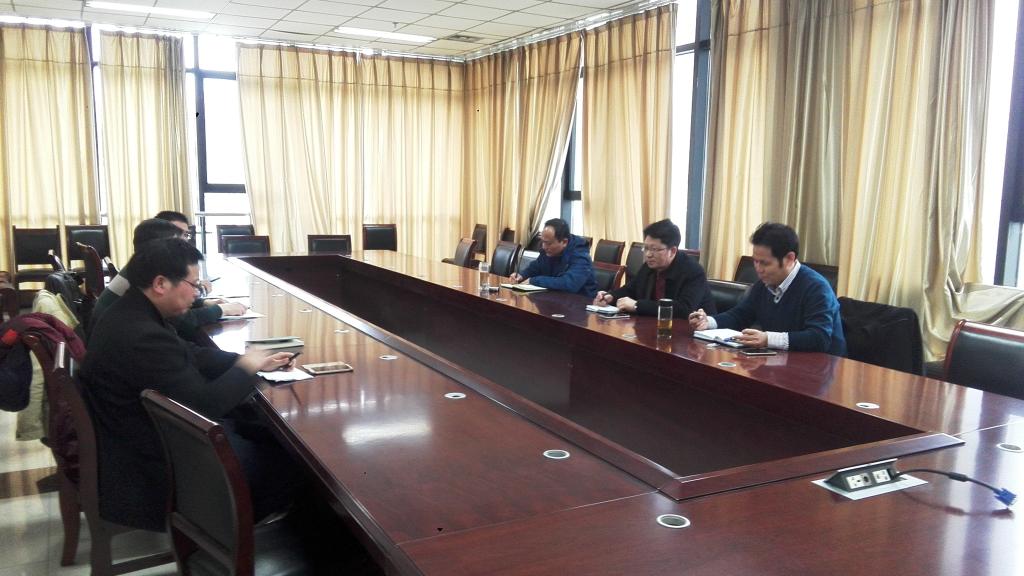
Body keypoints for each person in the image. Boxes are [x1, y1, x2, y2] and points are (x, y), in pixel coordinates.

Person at [80, 238, 298, 530]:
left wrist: (251, 361)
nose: (197, 293)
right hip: (159, 467)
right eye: (193, 284)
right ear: (160, 283)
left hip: (150, 437)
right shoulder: (141, 335)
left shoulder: (132, 311)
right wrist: (246, 368)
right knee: (293, 461)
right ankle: (249, 529)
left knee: (263, 430)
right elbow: (205, 406)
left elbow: (190, 353)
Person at [688, 222, 847, 356]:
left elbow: (819, 338)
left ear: (789, 259)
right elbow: (740, 315)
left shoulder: (816, 287)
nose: (758, 269)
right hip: (782, 362)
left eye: (764, 263)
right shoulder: (764, 285)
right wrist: (708, 322)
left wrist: (768, 339)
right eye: (755, 261)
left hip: (823, 369)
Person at [90, 218, 244, 338]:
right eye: (175, 244)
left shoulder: (138, 267)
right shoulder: (143, 277)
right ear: (159, 248)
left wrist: (203, 302)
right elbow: (181, 321)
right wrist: (220, 310)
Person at [593, 219, 715, 317]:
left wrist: (637, 305)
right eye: (646, 248)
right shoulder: (649, 266)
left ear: (672, 251)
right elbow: (631, 289)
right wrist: (611, 296)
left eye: (655, 249)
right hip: (655, 327)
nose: (648, 254)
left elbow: (684, 309)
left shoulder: (693, 272)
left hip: (694, 333)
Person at [509, 218, 598, 297]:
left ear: (564, 242)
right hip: (553, 299)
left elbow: (569, 284)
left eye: (548, 243)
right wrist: (522, 275)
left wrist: (534, 281)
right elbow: (537, 266)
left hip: (580, 304)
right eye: (543, 242)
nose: (544, 247)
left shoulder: (580, 256)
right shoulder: (547, 250)